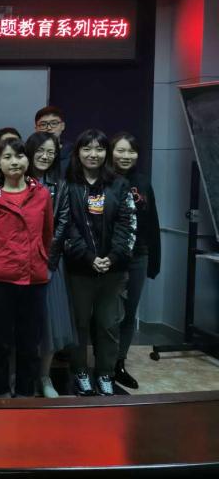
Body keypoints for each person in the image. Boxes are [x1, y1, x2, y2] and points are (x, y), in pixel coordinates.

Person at [0, 138, 53, 398]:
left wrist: (40, 259)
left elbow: (47, 234)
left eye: (19, 156)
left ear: (27, 160)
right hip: (1, 281)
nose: (14, 162)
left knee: (30, 343)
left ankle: (25, 394)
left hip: (34, 280)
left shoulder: (41, 193)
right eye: (7, 157)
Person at [65, 129, 136, 397]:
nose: (93, 154)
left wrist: (112, 257)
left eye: (99, 149)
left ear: (106, 153)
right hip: (79, 268)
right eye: (87, 148)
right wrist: (88, 257)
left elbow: (127, 224)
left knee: (108, 324)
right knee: (79, 324)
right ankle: (80, 371)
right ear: (78, 152)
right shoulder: (68, 184)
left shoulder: (120, 185)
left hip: (112, 270)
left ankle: (105, 373)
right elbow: (67, 226)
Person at [25, 131, 76, 398]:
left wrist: (48, 259)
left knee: (50, 324)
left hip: (49, 262)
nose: (45, 156)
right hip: (17, 263)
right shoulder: (15, 179)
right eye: (40, 151)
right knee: (21, 324)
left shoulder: (60, 184)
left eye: (51, 152)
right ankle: (20, 376)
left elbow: (63, 223)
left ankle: (45, 377)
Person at [109, 131, 160, 390]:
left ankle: (119, 363)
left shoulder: (142, 182)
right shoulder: (103, 180)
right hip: (111, 258)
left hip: (139, 255)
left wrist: (154, 260)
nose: (126, 156)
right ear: (111, 152)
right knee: (108, 314)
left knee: (129, 312)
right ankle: (103, 364)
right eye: (120, 150)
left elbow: (152, 222)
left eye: (131, 151)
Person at [35, 106, 72, 170]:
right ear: (36, 129)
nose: (49, 128)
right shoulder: (29, 153)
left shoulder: (73, 152)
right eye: (43, 124)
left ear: (63, 126)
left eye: (54, 123)